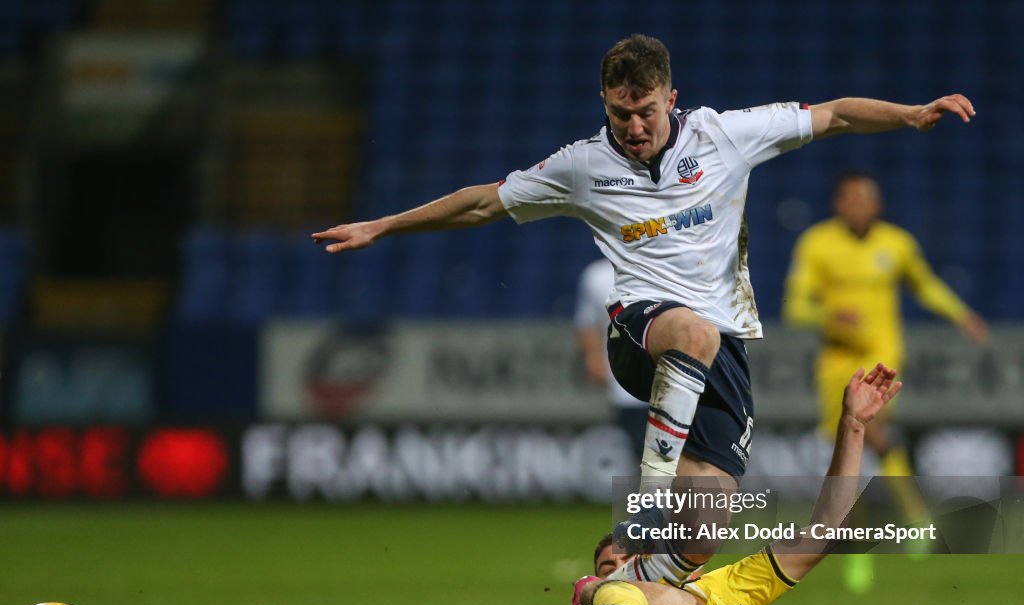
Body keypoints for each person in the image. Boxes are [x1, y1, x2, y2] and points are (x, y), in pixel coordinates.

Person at [314, 35, 976, 499]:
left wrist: (911, 114)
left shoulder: (724, 135)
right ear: (604, 103)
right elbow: (483, 203)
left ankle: (627, 585)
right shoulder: (581, 165)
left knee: (705, 521)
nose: (633, 126)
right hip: (641, 331)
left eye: (645, 111)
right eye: (619, 113)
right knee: (691, 332)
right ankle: (647, 495)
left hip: (721, 347)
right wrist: (383, 224)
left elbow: (831, 115)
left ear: (671, 98)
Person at [339, 365, 958, 605]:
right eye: (611, 570)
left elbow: (823, 530)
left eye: (630, 564)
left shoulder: (715, 586)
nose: (623, 568)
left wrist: (852, 427)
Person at [783, 172, 988, 591]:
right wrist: (831, 317)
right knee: (845, 453)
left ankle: (910, 523)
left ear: (878, 205)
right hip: (835, 363)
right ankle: (872, 537)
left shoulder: (897, 244)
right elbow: (795, 306)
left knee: (869, 431)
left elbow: (925, 285)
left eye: (865, 199)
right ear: (838, 203)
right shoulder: (817, 243)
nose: (857, 206)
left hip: (882, 358)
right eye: (850, 198)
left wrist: (961, 315)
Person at [575, 257, 648, 464]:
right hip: (626, 384)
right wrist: (593, 358)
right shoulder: (596, 275)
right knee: (643, 454)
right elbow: (586, 322)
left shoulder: (668, 265)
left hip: (675, 381)